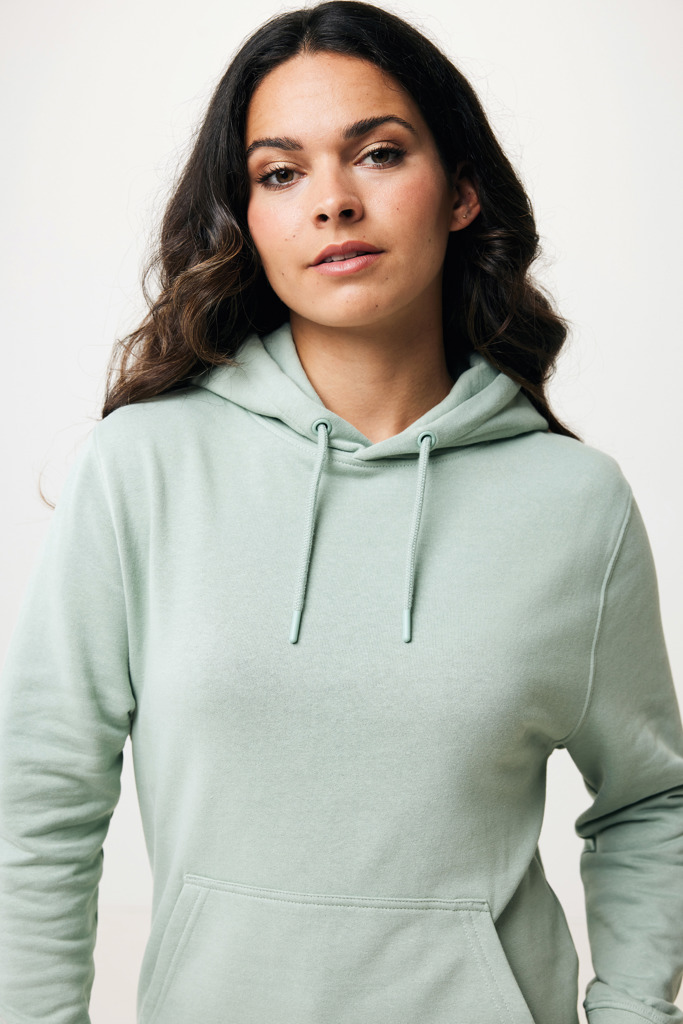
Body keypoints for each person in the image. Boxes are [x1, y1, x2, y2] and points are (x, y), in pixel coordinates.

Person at [1, 2, 682, 1022]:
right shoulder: (141, 468)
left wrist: (632, 1012)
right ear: (246, 218)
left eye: (377, 154)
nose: (332, 202)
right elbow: (40, 797)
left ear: (460, 192)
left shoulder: (574, 504)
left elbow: (649, 800)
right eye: (281, 173)